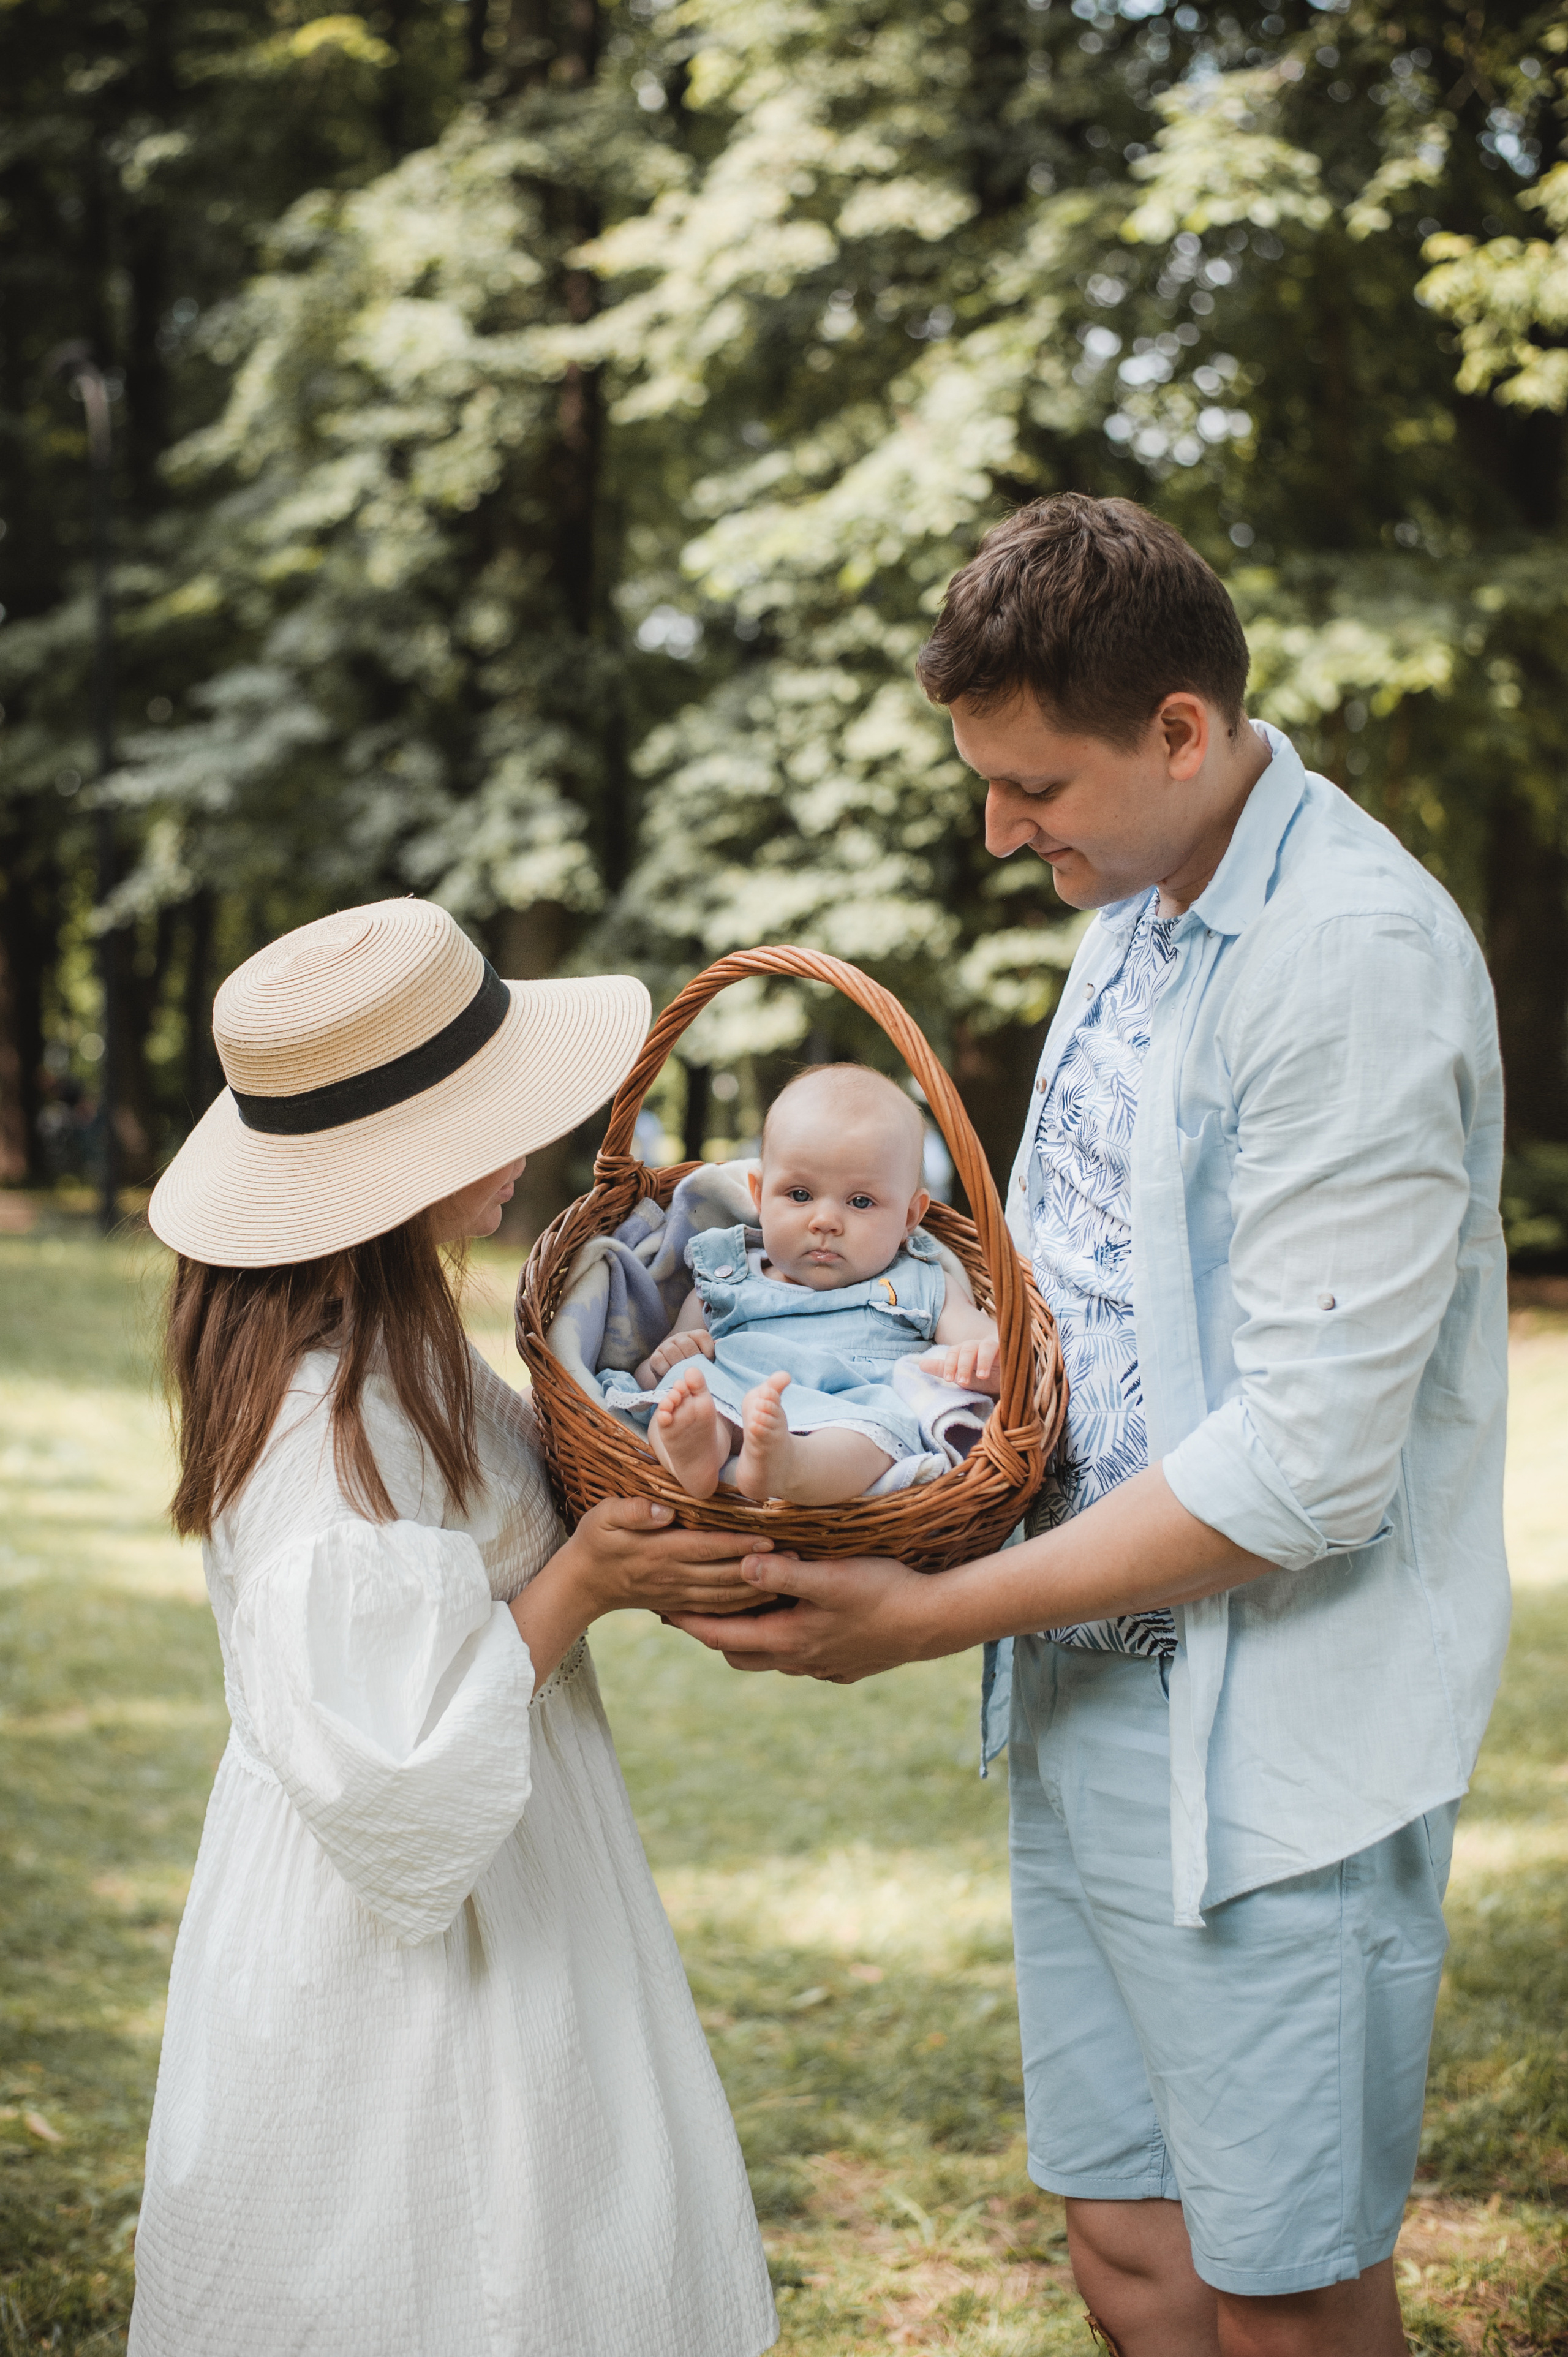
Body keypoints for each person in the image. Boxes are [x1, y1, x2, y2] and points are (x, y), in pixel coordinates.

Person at [670, 495, 1510, 2357]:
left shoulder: (1346, 959)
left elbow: (1303, 1461)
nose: (997, 828)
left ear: (1181, 733)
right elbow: (1076, 1256)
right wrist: (944, 1357)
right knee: (1129, 2255)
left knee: (1282, 2291)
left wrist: (920, 1620)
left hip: (1263, 1743)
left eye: (1028, 781)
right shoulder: (1134, 900)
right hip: (1081, 1691)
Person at [130, 897, 779, 2357]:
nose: (524, 1146)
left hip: (523, 1864)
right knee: (441, 2255)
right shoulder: (313, 1427)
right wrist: (579, 1585)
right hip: (402, 1924)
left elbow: (524, 1508)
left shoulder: (403, 1329)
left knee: (556, 2226)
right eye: (489, 1119)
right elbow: (392, 1760)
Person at [604, 1063, 998, 1501]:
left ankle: (788, 1467)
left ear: (909, 1217)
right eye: (799, 1195)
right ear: (758, 1196)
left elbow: (991, 1344)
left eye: (861, 1201)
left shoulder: (922, 1281)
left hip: (854, 1409)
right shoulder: (726, 1275)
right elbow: (656, 1368)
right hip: (737, 1393)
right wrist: (668, 1361)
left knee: (876, 1438)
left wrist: (986, 1360)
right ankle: (696, 1450)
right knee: (687, 1387)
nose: (825, 1220)